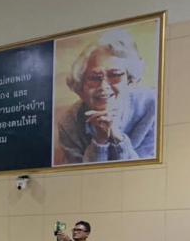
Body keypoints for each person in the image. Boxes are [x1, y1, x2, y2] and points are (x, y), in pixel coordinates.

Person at [55, 29, 157, 164]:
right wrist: (100, 141)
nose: (103, 86)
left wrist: (117, 137)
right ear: (80, 85)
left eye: (115, 75)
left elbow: (145, 172)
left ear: (130, 80)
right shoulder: (69, 123)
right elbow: (84, 175)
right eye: (94, 78)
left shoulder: (153, 107)